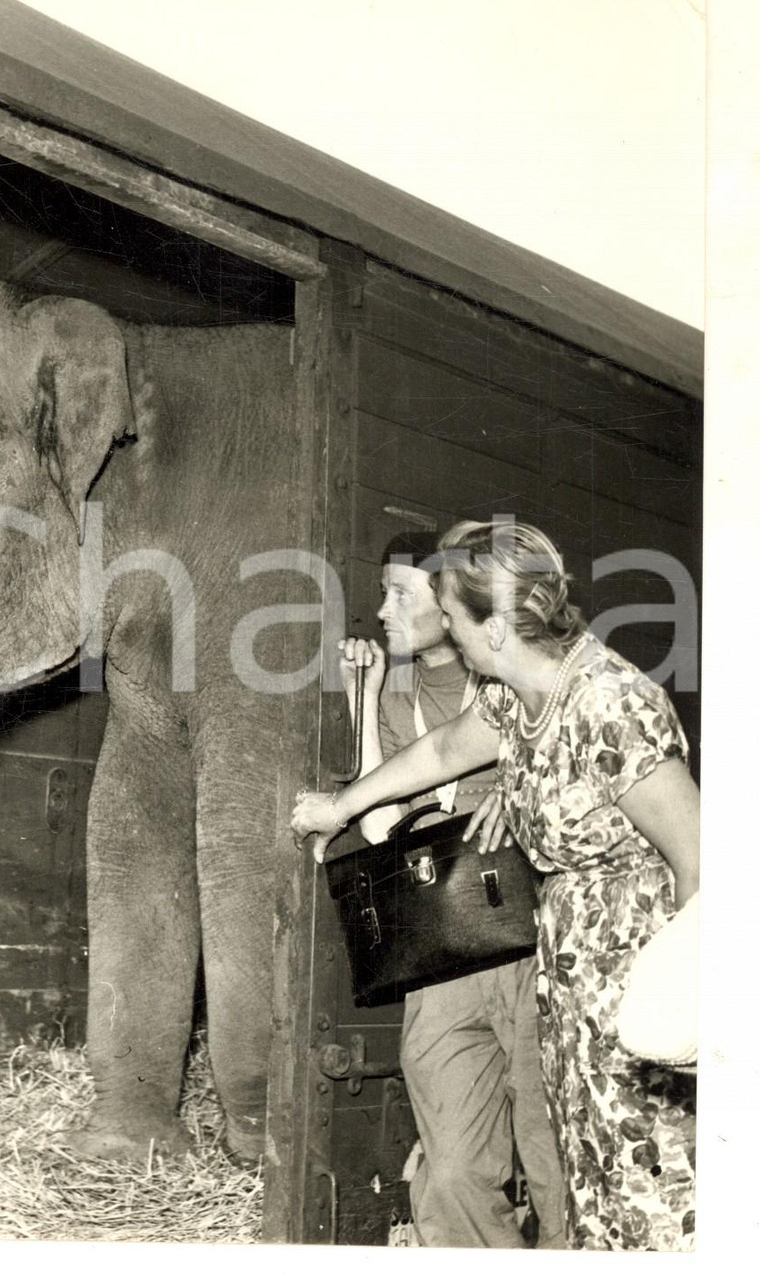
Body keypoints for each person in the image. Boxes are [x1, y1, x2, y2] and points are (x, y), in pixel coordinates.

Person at [293, 520, 698, 1252]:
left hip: (635, 975)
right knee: (586, 1171)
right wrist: (342, 805)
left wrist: (689, 1011)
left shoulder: (609, 705)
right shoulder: (514, 698)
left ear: (497, 630)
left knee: (641, 1178)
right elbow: (445, 749)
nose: (442, 624)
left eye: (451, 612)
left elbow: (700, 858)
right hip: (570, 973)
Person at [337, 531, 565, 1249]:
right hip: (443, 945)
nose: (382, 611)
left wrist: (515, 791)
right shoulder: (396, 689)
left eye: (400, 593)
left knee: (553, 1151)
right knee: (455, 1168)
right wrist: (362, 696)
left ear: (448, 600)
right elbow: (379, 826)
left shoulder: (510, 679)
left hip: (526, 936)